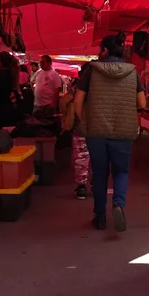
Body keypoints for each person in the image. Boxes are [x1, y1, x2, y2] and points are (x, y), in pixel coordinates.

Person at [75, 32, 146, 231]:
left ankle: (99, 218)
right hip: (124, 130)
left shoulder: (91, 70)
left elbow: (78, 100)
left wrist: (84, 121)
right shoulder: (133, 72)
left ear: (105, 50)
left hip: (96, 130)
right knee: (121, 171)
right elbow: (142, 103)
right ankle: (118, 204)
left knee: (99, 173)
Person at [60, 63, 91, 200]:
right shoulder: (101, 88)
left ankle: (82, 187)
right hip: (100, 129)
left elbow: (63, 101)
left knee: (81, 159)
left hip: (80, 128)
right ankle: (97, 185)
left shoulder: (76, 88)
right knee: (98, 159)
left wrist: (67, 113)